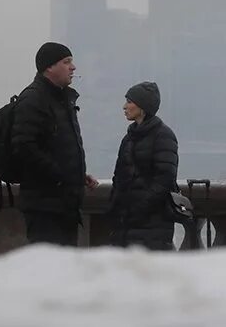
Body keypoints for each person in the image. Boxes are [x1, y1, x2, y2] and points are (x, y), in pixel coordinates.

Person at [11, 42, 97, 246]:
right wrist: (60, 176)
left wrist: (77, 174)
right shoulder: (33, 98)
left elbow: (59, 146)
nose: (73, 67)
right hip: (45, 207)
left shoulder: (63, 99)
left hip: (64, 204)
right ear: (49, 67)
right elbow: (24, 146)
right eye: (66, 62)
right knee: (48, 272)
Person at [109, 81, 179, 251]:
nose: (124, 107)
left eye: (129, 102)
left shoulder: (163, 136)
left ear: (142, 106)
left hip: (153, 224)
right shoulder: (129, 138)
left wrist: (139, 207)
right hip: (126, 224)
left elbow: (165, 178)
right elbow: (119, 176)